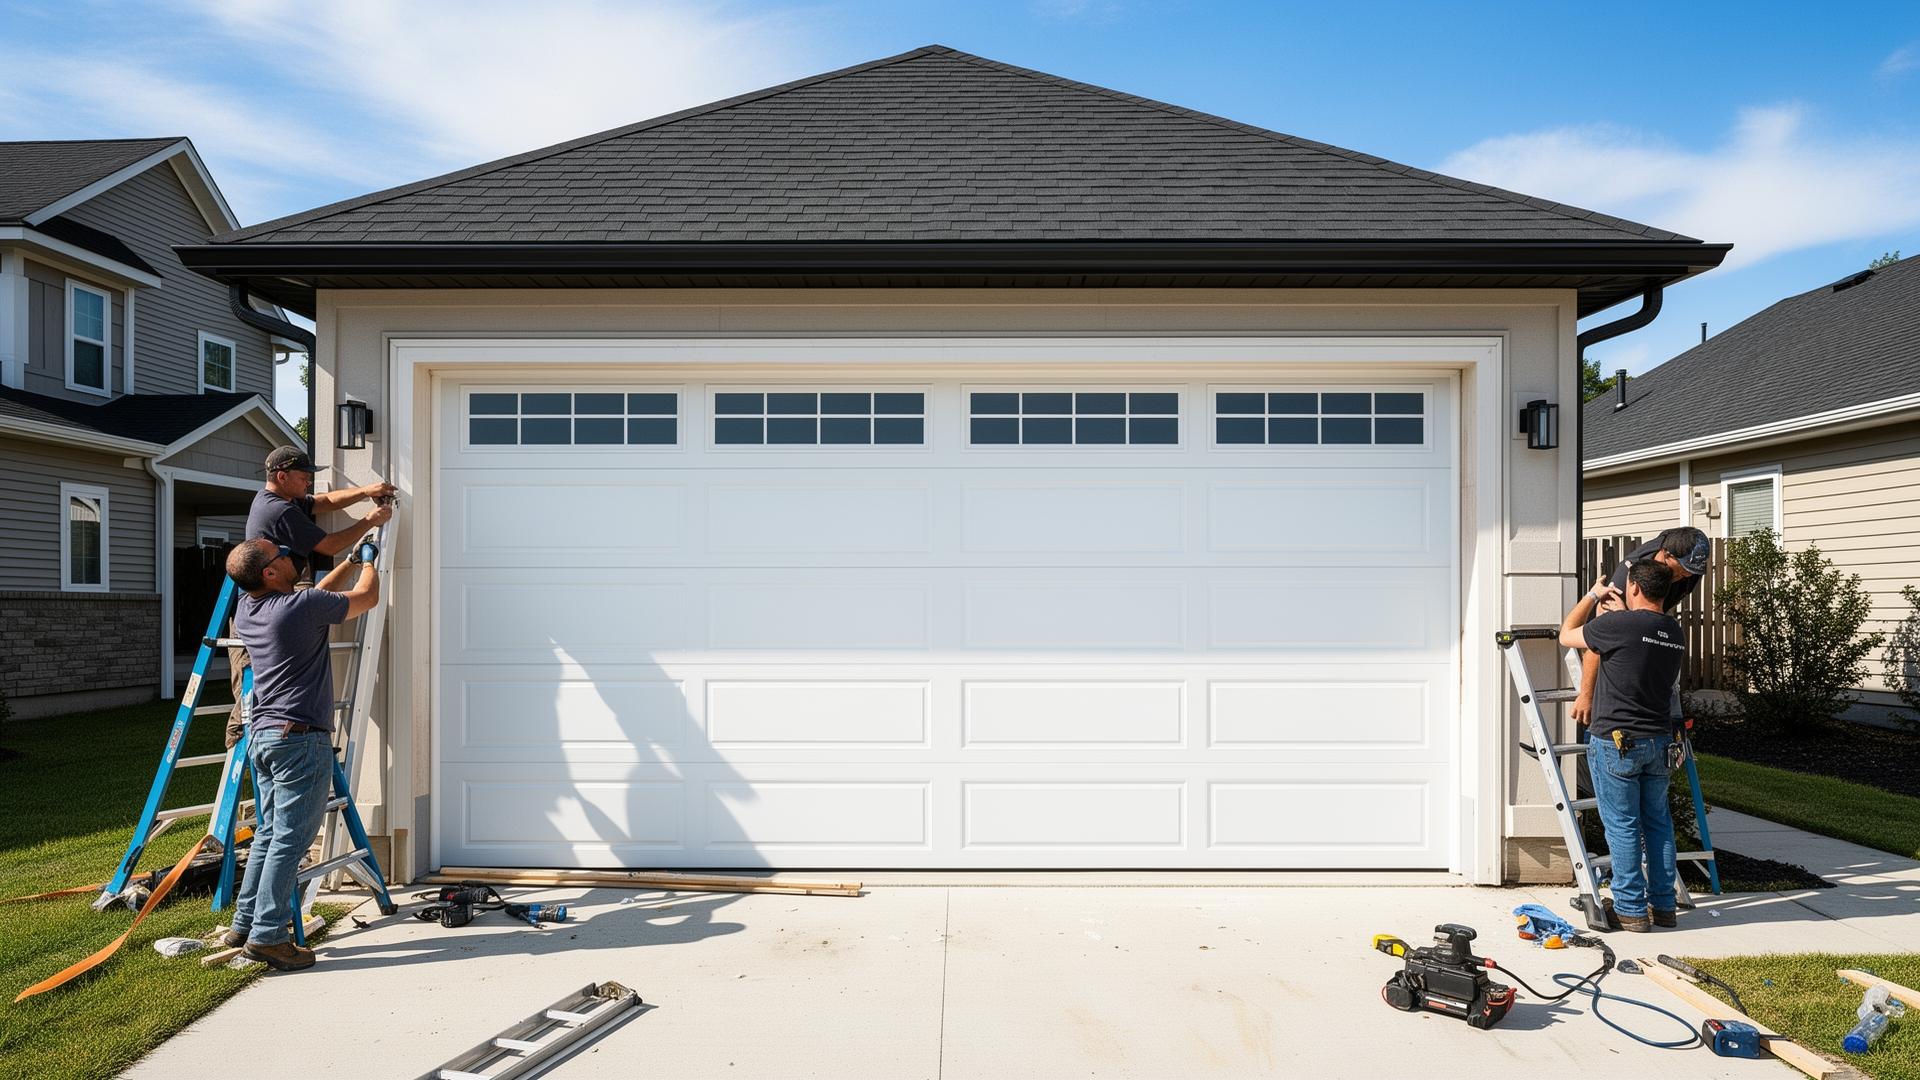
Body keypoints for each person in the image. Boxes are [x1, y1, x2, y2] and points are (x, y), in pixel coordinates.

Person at [220, 534, 381, 970]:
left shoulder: (249, 607)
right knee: (289, 841)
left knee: (270, 835)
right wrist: (370, 562)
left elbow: (312, 596)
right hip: (299, 741)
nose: (291, 557)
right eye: (281, 556)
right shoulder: (299, 608)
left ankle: (244, 923)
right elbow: (366, 598)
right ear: (270, 572)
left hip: (265, 738)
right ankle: (268, 938)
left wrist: (347, 562)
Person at [226, 446, 393, 748]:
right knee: (255, 687)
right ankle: (240, 741)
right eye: (303, 477)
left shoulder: (281, 501)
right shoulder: (278, 511)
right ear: (281, 476)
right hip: (266, 611)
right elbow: (328, 546)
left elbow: (323, 501)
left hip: (273, 602)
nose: (308, 483)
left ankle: (266, 742)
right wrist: (370, 523)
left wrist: (365, 490)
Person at [1558, 560, 1689, 933]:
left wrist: (1594, 595)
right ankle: (1663, 907)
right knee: (1658, 824)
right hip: (1659, 742)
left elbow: (1567, 634)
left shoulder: (1616, 625)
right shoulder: (1673, 631)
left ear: (1632, 587)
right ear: (1663, 592)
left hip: (1618, 742)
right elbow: (1637, 644)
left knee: (1623, 826)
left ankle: (1631, 909)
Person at [1575, 526, 1709, 729]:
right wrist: (1586, 695)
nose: (1685, 577)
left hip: (1654, 617)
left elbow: (1657, 616)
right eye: (1681, 570)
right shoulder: (1627, 577)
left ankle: (1668, 727)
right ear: (1665, 555)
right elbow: (1598, 641)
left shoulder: (1688, 572)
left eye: (1689, 573)